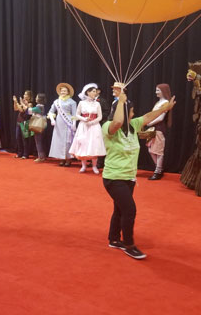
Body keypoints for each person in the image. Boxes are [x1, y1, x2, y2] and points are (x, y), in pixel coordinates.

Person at [102, 89, 176, 260]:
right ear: (125, 112)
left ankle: (113, 239)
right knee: (130, 210)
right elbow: (118, 121)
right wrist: (121, 101)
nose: (135, 113)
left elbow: (149, 116)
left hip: (129, 177)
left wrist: (166, 108)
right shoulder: (108, 127)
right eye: (132, 111)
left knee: (119, 209)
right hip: (114, 178)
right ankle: (129, 245)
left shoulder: (134, 125)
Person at [69, 84, 106, 173]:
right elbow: (77, 114)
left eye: (95, 91)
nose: (95, 93)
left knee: (94, 145)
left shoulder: (97, 103)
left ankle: (94, 166)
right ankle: (84, 165)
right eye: (93, 91)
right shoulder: (81, 103)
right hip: (84, 125)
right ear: (88, 92)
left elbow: (100, 116)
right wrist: (84, 119)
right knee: (83, 144)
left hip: (94, 126)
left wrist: (92, 122)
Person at [146, 83, 173, 180]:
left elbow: (161, 117)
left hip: (159, 128)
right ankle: (159, 168)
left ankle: (158, 170)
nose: (156, 92)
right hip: (153, 127)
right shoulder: (158, 103)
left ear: (163, 91)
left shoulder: (165, 102)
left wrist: (150, 122)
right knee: (151, 149)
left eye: (158, 90)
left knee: (158, 151)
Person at [48, 83, 77, 166]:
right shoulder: (56, 102)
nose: (63, 92)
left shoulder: (72, 102)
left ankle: (68, 159)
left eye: (65, 91)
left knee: (68, 141)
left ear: (68, 92)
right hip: (59, 123)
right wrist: (52, 119)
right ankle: (62, 158)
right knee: (59, 140)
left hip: (68, 123)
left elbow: (74, 114)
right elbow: (51, 111)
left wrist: (74, 124)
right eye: (62, 91)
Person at [13, 90, 34, 159]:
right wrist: (15, 102)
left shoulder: (30, 103)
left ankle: (25, 154)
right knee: (18, 138)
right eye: (24, 94)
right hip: (19, 122)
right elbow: (16, 108)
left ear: (29, 96)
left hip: (25, 122)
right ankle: (19, 153)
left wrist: (18, 102)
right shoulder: (22, 102)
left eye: (26, 94)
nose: (24, 95)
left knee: (25, 139)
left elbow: (22, 110)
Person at [30, 93, 47, 162]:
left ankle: (41, 157)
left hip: (38, 125)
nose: (35, 98)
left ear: (39, 99)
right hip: (42, 125)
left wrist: (22, 103)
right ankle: (42, 155)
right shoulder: (42, 106)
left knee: (38, 141)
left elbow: (28, 111)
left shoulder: (39, 107)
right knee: (40, 141)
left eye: (36, 97)